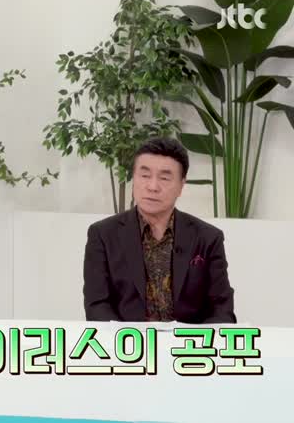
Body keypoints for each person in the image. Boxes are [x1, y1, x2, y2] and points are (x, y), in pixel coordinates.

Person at [83, 137, 236, 323]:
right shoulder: (103, 235)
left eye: (164, 178)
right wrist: (125, 338)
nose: (153, 187)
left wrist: (193, 339)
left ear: (181, 186)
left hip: (187, 340)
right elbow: (97, 305)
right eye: (145, 175)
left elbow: (222, 309)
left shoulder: (208, 238)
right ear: (134, 178)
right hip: (128, 340)